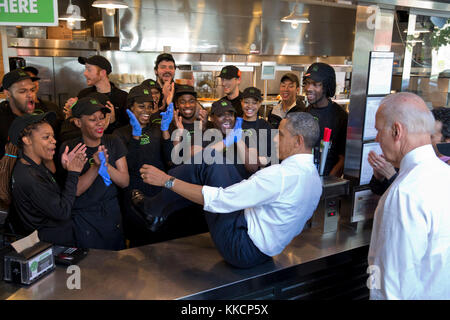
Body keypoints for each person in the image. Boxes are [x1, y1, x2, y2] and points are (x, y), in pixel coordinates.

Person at [134, 112, 322, 268]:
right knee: (217, 160)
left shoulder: (281, 176)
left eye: (280, 134)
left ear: (298, 141)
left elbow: (219, 200)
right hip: (265, 251)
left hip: (240, 247)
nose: (274, 138)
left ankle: (152, 209)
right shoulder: (315, 179)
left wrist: (167, 180)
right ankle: (158, 211)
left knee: (208, 162)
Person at [368, 92, 450, 300]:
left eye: (379, 131)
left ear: (397, 131)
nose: (377, 138)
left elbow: (391, 287)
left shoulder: (404, 193)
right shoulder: (444, 174)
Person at [0, 112, 87, 246]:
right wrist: (73, 173)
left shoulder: (34, 166)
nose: (54, 140)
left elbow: (54, 193)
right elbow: (62, 211)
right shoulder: (29, 177)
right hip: (49, 246)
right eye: (46, 137)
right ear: (27, 140)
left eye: (52, 136)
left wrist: (66, 168)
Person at [59, 97, 129, 250]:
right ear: (78, 123)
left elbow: (124, 181)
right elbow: (75, 190)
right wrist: (95, 167)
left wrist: (106, 165)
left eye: (102, 118)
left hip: (111, 213)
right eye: (92, 119)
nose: (100, 123)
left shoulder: (113, 141)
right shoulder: (70, 148)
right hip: (85, 216)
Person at [113, 84, 171, 246]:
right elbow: (130, 165)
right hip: (135, 194)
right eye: (140, 106)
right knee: (139, 243)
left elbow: (170, 160)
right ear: (130, 107)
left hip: (159, 192)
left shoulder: (158, 128)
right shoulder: (120, 134)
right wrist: (136, 137)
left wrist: (165, 131)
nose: (146, 110)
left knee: (163, 241)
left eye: (149, 106)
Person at [302, 63, 348, 177]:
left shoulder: (340, 117)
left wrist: (324, 184)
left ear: (327, 87)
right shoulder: (303, 113)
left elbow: (342, 159)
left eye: (315, 84)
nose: (308, 88)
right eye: (307, 83)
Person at [64, 55, 128, 133]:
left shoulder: (123, 97)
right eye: (85, 69)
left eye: (89, 70)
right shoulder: (83, 95)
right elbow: (76, 127)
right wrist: (71, 113)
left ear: (102, 73)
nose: (85, 73)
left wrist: (113, 121)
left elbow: (128, 129)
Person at [0, 69, 37, 157]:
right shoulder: (2, 120)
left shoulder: (40, 114)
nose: (30, 95)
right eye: (22, 91)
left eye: (32, 90)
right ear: (8, 93)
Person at [241, 87, 274, 169]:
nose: (250, 106)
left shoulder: (266, 127)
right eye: (246, 102)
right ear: (241, 102)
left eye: (254, 103)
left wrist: (255, 161)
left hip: (256, 175)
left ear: (260, 104)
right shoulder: (235, 124)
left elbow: (271, 157)